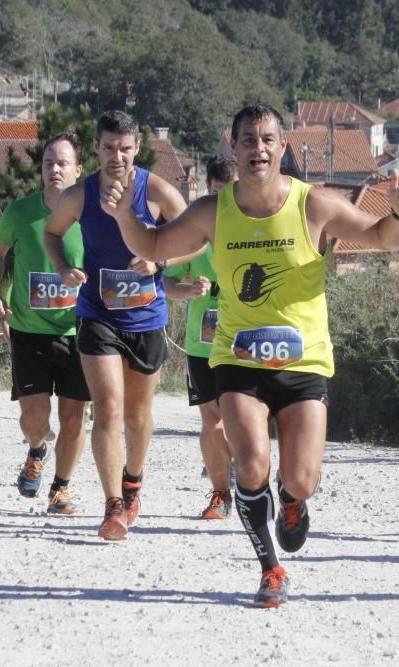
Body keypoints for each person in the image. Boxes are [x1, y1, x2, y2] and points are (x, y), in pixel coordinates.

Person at [100, 102, 399, 607]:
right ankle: (271, 569)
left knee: (301, 478)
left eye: (268, 140)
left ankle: (292, 502)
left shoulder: (314, 204)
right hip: (238, 358)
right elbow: (155, 246)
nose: (258, 149)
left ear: (282, 146)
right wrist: (121, 216)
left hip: (303, 360)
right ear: (233, 145)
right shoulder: (212, 211)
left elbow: (382, 237)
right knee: (250, 466)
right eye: (248, 140)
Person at [43, 111, 189, 541]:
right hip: (97, 312)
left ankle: (133, 482)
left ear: (137, 148)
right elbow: (52, 235)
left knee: (138, 415)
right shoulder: (81, 195)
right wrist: (63, 267)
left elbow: (195, 238)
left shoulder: (158, 191)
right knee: (107, 407)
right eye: (109, 147)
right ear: (96, 147)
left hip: (145, 316)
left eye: (125, 149)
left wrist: (159, 259)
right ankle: (112, 505)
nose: (117, 156)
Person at [0, 132, 90, 514]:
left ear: (79, 170)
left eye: (63, 163)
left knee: (73, 417)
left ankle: (60, 489)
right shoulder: (20, 212)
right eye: (48, 163)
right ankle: (36, 449)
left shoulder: (92, 215)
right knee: (34, 416)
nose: (55, 169)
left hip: (79, 332)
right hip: (29, 330)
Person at [163, 155, 237, 520]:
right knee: (212, 420)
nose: (221, 205)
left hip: (247, 343)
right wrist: (189, 289)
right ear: (207, 192)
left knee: (245, 419)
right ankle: (220, 495)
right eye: (215, 196)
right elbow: (167, 283)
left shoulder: (255, 231)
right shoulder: (191, 234)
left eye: (229, 196)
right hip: (202, 343)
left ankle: (252, 478)